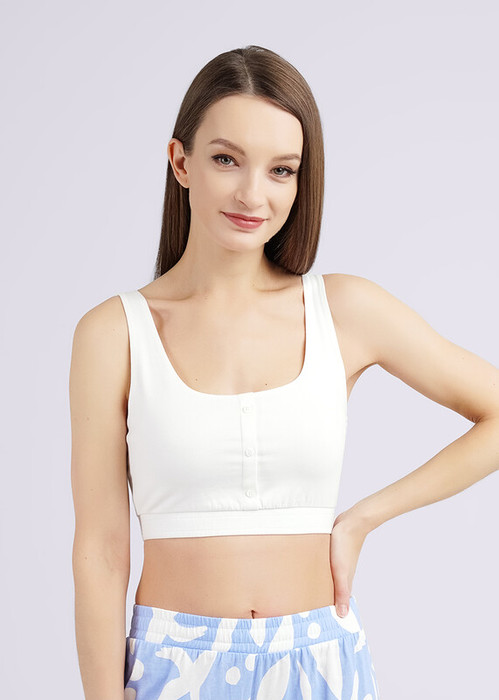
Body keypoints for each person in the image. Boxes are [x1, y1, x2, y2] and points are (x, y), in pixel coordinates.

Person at [69, 45, 499, 700]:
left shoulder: (344, 310)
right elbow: (101, 550)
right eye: (226, 159)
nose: (253, 194)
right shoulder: (114, 334)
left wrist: (362, 518)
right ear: (180, 163)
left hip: (321, 664)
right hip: (173, 668)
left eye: (281, 170)